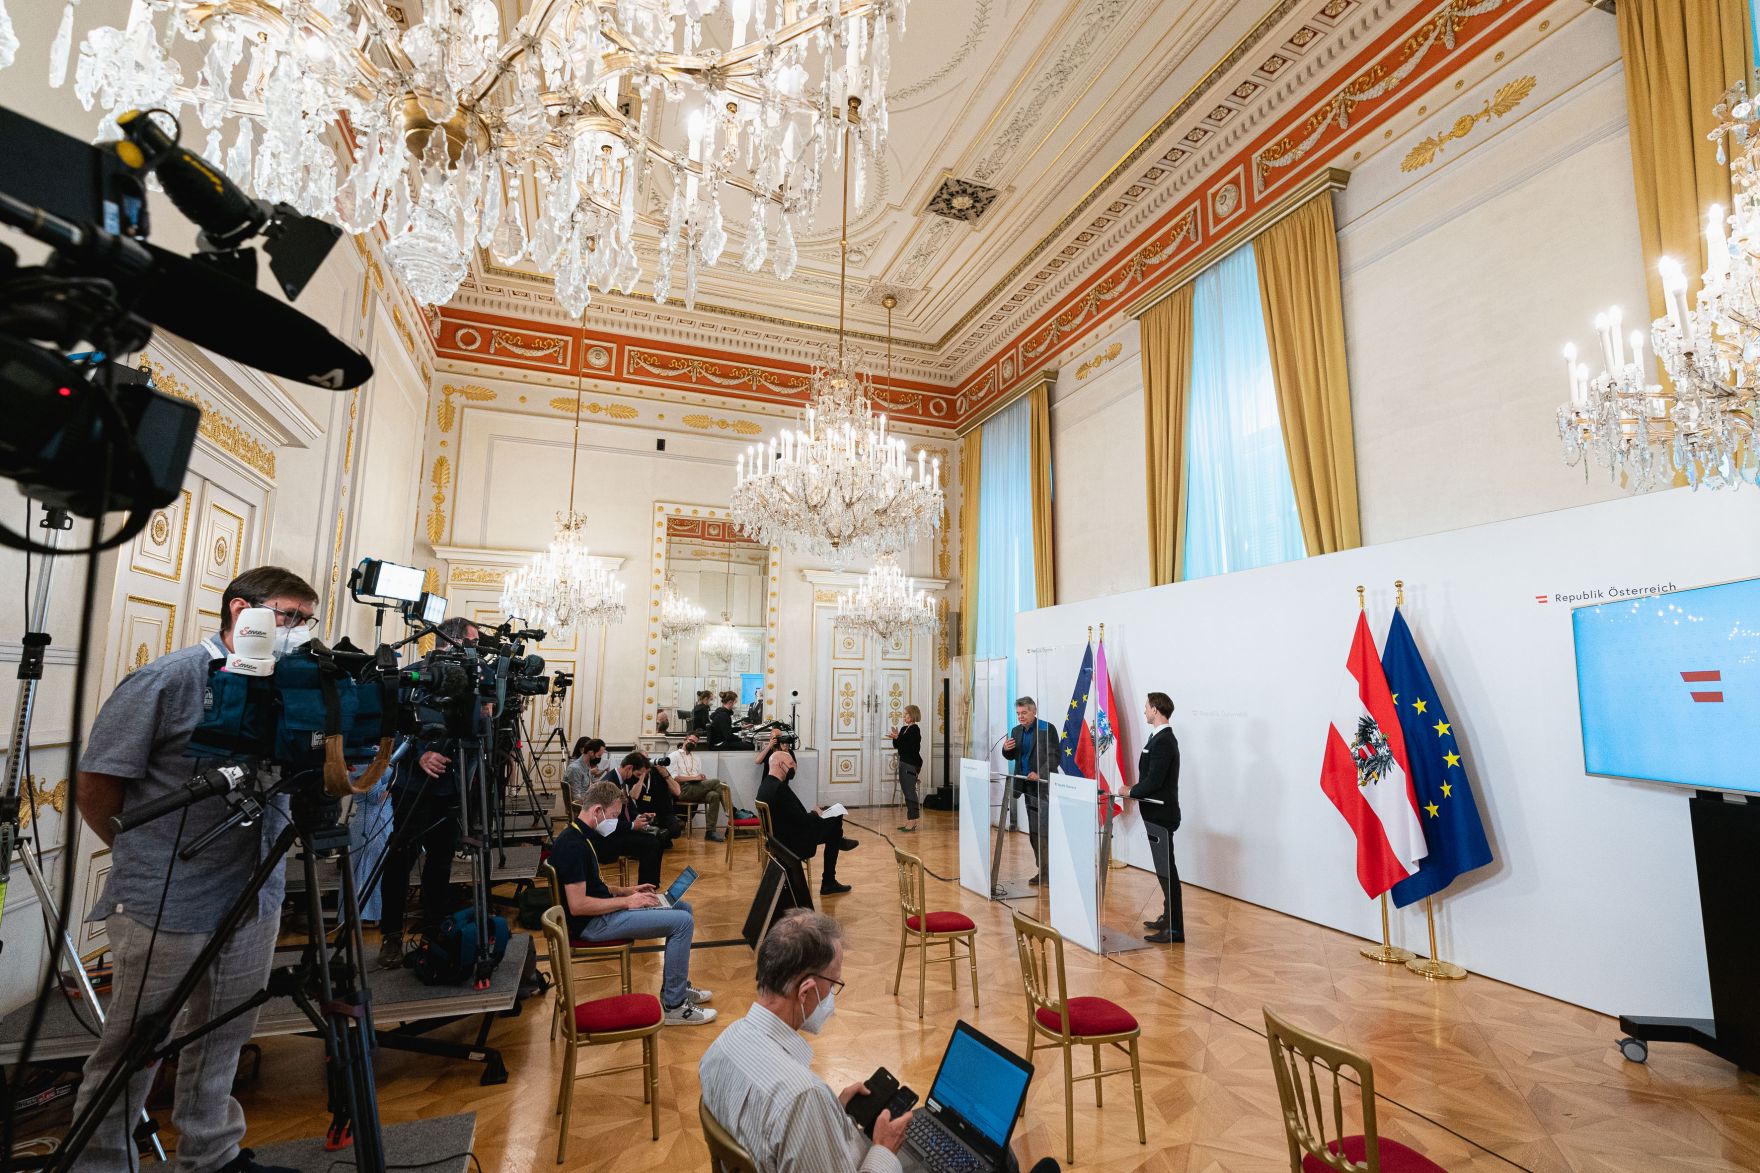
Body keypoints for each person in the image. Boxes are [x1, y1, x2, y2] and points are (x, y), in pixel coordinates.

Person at [71, 566, 320, 1173]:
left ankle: (211, 1154)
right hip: (167, 897)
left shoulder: (290, 688)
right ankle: (99, 1163)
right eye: (286, 616)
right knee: (136, 1045)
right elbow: (96, 784)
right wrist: (142, 851)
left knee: (224, 1034)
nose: (294, 632)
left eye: (305, 621)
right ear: (242, 610)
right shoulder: (170, 679)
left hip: (253, 894)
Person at [701, 910, 1063, 1173]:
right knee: (1002, 1160)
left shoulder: (721, 1048)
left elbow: (771, 1135)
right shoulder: (801, 1098)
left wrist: (834, 1112)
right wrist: (884, 1149)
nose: (832, 998)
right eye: (834, 986)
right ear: (807, 991)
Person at [551, 780, 717, 1026]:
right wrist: (628, 902)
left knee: (683, 908)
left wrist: (626, 890)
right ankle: (674, 1005)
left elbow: (592, 887)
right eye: (614, 815)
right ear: (597, 811)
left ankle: (678, 987)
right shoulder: (573, 845)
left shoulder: (579, 835)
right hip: (592, 924)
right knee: (682, 922)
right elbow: (578, 905)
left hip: (600, 914)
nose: (616, 822)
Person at [377, 617, 481, 968]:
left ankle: (433, 928)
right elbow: (390, 724)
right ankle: (391, 934)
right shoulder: (411, 675)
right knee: (400, 860)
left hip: (451, 787)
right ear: (451, 642)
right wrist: (420, 753)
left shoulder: (470, 681)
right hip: (411, 785)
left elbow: (474, 733)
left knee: (441, 862)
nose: (476, 652)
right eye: (472, 643)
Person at [758, 741, 857, 895]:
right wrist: (815, 814)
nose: (794, 767)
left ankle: (838, 840)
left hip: (779, 839)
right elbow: (802, 820)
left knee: (831, 821)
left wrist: (815, 814)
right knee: (836, 818)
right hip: (792, 843)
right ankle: (829, 880)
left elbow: (792, 815)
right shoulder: (780, 789)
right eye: (790, 763)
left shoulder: (766, 784)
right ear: (779, 764)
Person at [1131, 692, 1183, 944]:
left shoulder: (1164, 740)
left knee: (1167, 871)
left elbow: (1153, 781)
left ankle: (1174, 930)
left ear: (1155, 709)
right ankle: (1168, 917)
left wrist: (1129, 791)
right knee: (1163, 870)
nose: (1144, 711)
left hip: (1162, 813)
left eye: (1146, 707)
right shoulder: (1158, 737)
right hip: (1154, 813)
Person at [1000, 696, 1060, 885]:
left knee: (1044, 831)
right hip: (1025, 786)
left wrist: (1039, 773)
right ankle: (1043, 870)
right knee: (1034, 832)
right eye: (1018, 713)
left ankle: (1051, 872)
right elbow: (1012, 757)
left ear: (1034, 711)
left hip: (1042, 786)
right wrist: (1005, 749)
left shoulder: (1046, 728)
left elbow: (1054, 757)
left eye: (1024, 713)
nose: (1020, 717)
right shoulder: (1016, 731)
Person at [589, 751, 665, 886]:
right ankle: (646, 888)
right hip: (606, 841)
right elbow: (604, 824)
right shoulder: (609, 784)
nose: (638, 779)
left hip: (616, 832)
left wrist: (640, 817)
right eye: (637, 775)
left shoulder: (619, 781)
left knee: (657, 838)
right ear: (629, 768)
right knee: (652, 844)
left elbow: (627, 809)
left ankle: (650, 885)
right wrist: (632, 826)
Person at [670, 735, 726, 840]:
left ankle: (710, 832)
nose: (693, 743)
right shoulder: (673, 756)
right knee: (717, 782)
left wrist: (700, 778)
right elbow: (674, 778)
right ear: (684, 740)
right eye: (691, 740)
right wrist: (694, 778)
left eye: (695, 743)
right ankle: (733, 811)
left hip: (696, 788)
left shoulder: (696, 758)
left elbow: (697, 776)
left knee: (714, 795)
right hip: (682, 789)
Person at [888, 705, 924, 833]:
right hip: (903, 762)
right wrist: (895, 737)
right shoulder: (904, 728)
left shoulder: (915, 729)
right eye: (904, 714)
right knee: (907, 792)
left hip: (911, 763)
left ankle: (913, 820)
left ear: (913, 715)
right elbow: (899, 746)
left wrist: (899, 738)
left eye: (907, 714)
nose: (904, 716)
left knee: (910, 792)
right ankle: (910, 820)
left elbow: (911, 747)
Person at [563, 736, 607, 802]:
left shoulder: (586, 765)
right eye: (599, 755)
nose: (599, 758)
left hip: (587, 801)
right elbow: (576, 798)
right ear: (591, 753)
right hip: (582, 807)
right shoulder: (575, 768)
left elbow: (591, 783)